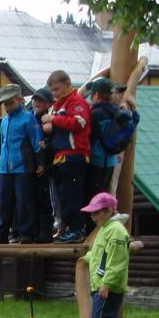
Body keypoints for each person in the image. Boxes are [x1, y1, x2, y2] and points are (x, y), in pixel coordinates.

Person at [81, 192, 131, 318]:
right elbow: (98, 254)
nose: (93, 217)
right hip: (101, 285)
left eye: (96, 213)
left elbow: (116, 260)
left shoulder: (116, 231)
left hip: (108, 287)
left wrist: (107, 284)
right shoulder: (105, 228)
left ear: (109, 210)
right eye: (92, 213)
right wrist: (85, 258)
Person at [0, 83, 43, 244]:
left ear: (20, 99)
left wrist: (40, 163)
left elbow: (37, 141)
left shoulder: (28, 118)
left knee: (24, 201)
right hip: (5, 168)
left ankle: (26, 233)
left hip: (22, 167)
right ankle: (1, 233)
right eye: (5, 104)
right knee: (3, 202)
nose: (8, 107)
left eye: (11, 103)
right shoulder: (4, 121)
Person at [41, 70, 91, 243]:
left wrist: (53, 121)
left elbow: (79, 122)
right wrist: (49, 128)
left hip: (74, 155)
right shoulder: (58, 105)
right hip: (60, 156)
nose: (54, 93)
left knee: (72, 195)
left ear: (68, 84)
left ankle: (77, 229)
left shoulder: (76, 101)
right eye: (52, 91)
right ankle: (68, 228)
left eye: (57, 89)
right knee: (63, 195)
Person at [30, 86, 55, 242]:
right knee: (33, 200)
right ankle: (35, 232)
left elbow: (56, 142)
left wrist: (47, 145)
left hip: (48, 167)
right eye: (35, 100)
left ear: (48, 103)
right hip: (31, 166)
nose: (37, 103)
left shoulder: (51, 119)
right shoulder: (30, 118)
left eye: (41, 100)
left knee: (46, 201)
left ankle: (46, 233)